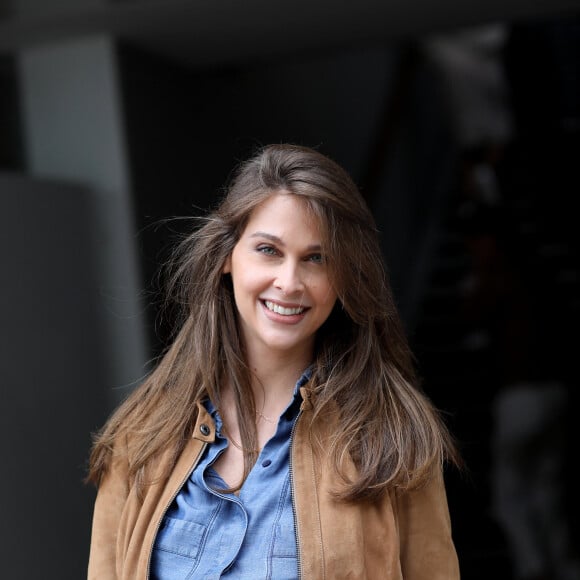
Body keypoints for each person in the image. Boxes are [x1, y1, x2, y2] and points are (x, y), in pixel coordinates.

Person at [86, 143, 461, 579]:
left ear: (344, 277)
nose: (289, 282)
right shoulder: (141, 437)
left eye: (316, 258)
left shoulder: (391, 436)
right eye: (268, 250)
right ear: (227, 257)